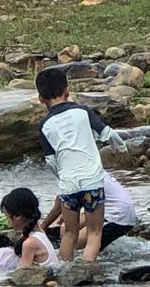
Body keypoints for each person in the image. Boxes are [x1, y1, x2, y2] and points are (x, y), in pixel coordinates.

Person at [36, 66, 126, 263]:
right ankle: (85, 269)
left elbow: (51, 162)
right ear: (67, 91)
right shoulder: (83, 111)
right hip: (92, 182)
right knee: (95, 233)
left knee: (69, 233)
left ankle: (64, 269)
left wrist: (63, 178)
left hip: (69, 185)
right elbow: (109, 134)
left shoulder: (44, 125)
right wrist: (122, 148)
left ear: (41, 98)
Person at [43, 173, 137, 253]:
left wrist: (42, 228)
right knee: (65, 228)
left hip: (118, 217)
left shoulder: (75, 176)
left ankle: (85, 263)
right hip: (116, 211)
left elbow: (60, 205)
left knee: (73, 245)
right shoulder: (91, 169)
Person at [0, 188, 60, 271]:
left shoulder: (30, 243)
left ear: (19, 217)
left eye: (7, 217)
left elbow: (21, 272)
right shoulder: (39, 232)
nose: (8, 222)